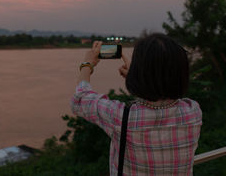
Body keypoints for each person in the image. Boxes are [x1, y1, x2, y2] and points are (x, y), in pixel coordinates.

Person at [71, 33, 202, 176]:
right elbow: (159, 104)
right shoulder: (193, 111)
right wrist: (138, 78)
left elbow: (80, 99)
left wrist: (87, 64)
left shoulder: (121, 117)